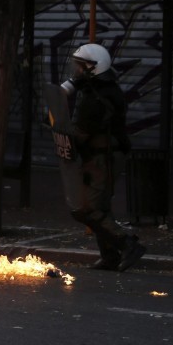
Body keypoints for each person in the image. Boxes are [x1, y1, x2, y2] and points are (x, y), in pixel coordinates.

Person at [66, 43, 144, 272]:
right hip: (102, 157)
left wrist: (61, 132)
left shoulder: (97, 98)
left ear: (93, 68)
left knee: (87, 208)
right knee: (100, 207)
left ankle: (128, 244)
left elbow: (81, 133)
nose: (77, 71)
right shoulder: (102, 88)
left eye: (81, 67)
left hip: (102, 158)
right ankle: (109, 255)